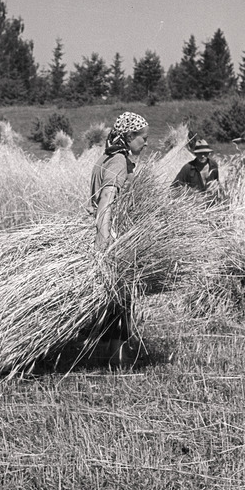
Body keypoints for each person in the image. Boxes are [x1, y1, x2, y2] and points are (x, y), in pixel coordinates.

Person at [86, 111, 149, 365]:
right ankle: (117, 359)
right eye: (143, 138)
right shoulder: (118, 162)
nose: (146, 142)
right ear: (130, 136)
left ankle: (114, 355)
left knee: (118, 301)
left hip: (106, 233)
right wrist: (103, 244)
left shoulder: (107, 156)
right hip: (110, 237)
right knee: (120, 301)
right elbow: (106, 202)